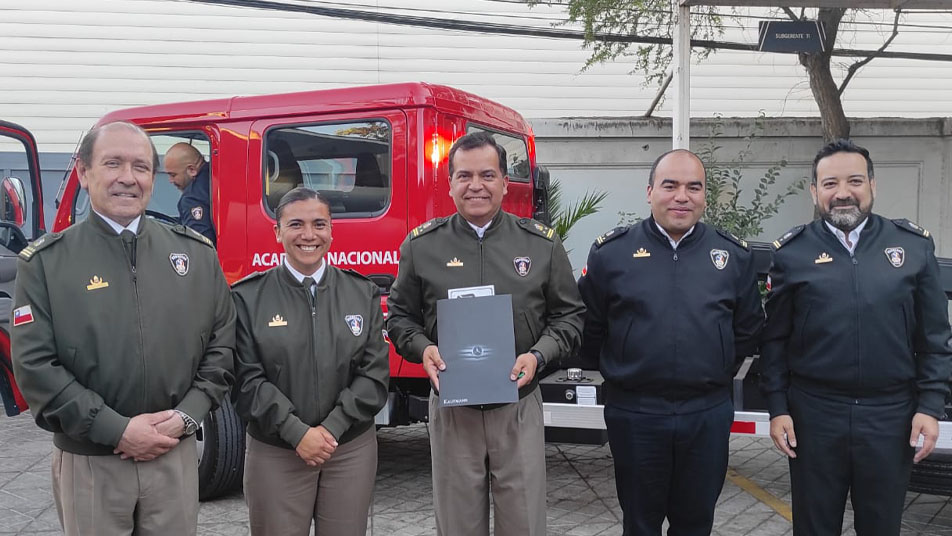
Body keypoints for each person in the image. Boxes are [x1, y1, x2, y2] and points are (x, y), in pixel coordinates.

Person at [11, 121, 236, 536]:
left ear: (153, 177)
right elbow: (36, 367)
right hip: (92, 461)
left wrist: (188, 416)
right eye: (113, 163)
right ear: (83, 172)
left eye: (140, 166)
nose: (127, 178)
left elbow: (222, 346)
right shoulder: (46, 263)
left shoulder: (195, 256)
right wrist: (117, 430)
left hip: (173, 456)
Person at [386, 131, 585, 536]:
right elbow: (399, 319)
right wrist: (422, 349)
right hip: (452, 409)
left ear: (504, 183)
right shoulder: (422, 247)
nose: (476, 185)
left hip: (517, 405)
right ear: (450, 183)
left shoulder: (540, 245)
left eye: (487, 175)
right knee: (457, 524)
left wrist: (538, 356)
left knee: (524, 522)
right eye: (464, 176)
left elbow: (570, 318)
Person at [760, 139, 952, 535]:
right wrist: (777, 408)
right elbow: (774, 340)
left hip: (890, 415)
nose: (842, 193)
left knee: (881, 526)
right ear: (814, 191)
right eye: (829, 184)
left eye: (854, 181)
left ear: (873, 186)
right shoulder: (792, 254)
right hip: (815, 416)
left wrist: (930, 406)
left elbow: (934, 337)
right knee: (814, 526)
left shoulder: (912, 248)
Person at [577, 148, 764, 536]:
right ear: (649, 192)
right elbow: (590, 328)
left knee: (695, 523)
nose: (682, 196)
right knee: (640, 522)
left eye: (693, 187)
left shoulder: (732, 256)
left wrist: (710, 368)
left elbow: (746, 330)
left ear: (705, 197)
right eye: (670, 185)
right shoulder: (613, 254)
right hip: (635, 413)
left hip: (706, 413)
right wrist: (627, 371)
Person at [232, 187, 389, 535]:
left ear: (332, 231)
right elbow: (246, 379)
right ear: (277, 232)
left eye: (319, 224)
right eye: (296, 224)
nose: (308, 235)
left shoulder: (361, 293)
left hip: (348, 448)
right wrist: (297, 432)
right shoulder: (247, 297)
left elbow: (374, 374)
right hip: (277, 450)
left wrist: (330, 429)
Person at [164, 142, 216, 244]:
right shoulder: (216, 174)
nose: (170, 180)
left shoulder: (192, 198)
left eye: (173, 175)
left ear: (192, 170)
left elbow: (198, 247)